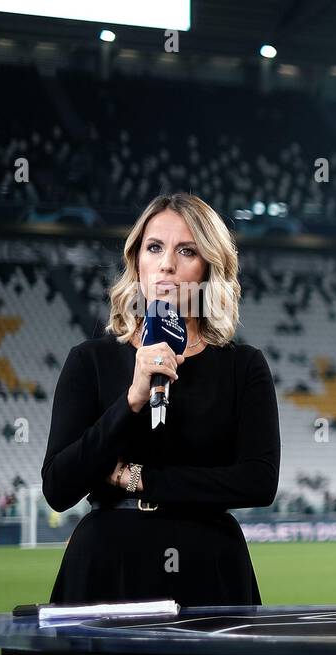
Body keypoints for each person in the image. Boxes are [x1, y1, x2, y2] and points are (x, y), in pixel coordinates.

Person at [42, 192, 281, 605]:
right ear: (137, 263)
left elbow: (259, 481)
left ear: (208, 268)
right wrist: (131, 400)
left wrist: (141, 479)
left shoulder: (243, 366)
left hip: (210, 567)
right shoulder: (90, 361)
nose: (167, 263)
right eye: (155, 248)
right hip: (106, 565)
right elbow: (59, 487)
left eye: (187, 250)